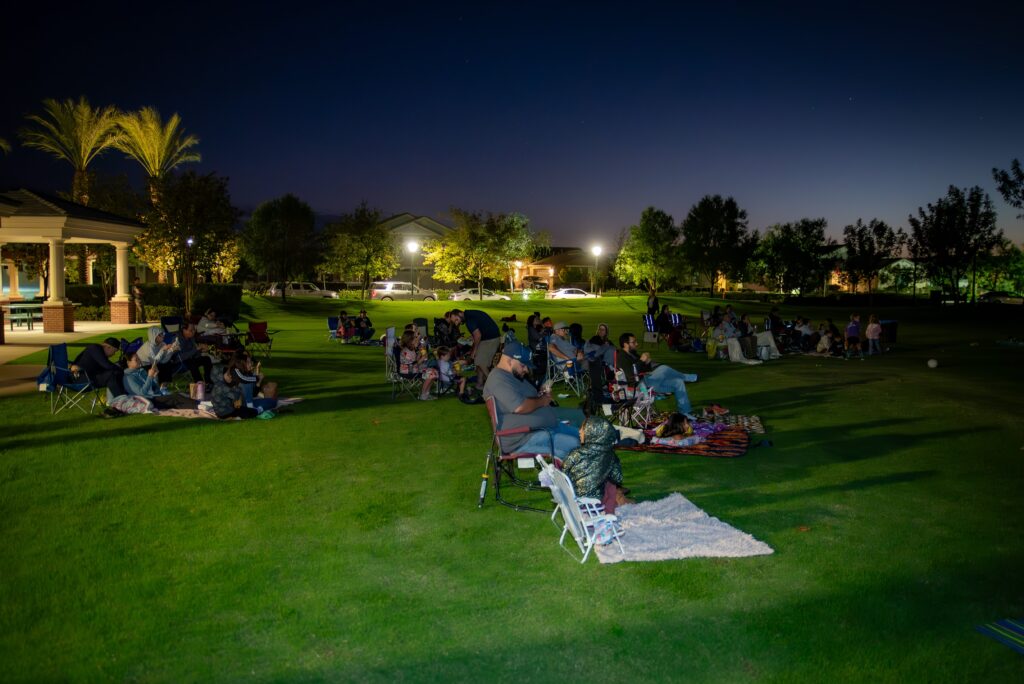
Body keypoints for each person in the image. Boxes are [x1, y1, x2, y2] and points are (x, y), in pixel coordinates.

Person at [483, 341, 581, 459]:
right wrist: (542, 401)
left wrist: (541, 394)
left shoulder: (513, 376)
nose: (526, 370)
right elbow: (519, 407)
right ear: (509, 360)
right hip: (524, 438)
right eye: (523, 365)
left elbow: (528, 398)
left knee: (585, 437)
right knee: (575, 446)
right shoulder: (498, 379)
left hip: (543, 428)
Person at [562, 415, 633, 513]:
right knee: (610, 483)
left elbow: (564, 472)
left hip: (573, 500)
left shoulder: (575, 453)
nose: (579, 431)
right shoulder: (610, 456)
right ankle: (615, 505)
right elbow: (618, 478)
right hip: (595, 503)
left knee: (604, 478)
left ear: (592, 432)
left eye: (583, 429)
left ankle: (619, 499)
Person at [616, 332, 698, 415]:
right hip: (640, 385)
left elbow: (645, 369)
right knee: (664, 368)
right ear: (625, 344)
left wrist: (647, 362)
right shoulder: (622, 357)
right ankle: (686, 377)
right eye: (633, 342)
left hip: (649, 381)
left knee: (678, 382)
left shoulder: (632, 354)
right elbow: (631, 375)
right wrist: (641, 361)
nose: (636, 344)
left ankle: (685, 411)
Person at [122, 352, 197, 409]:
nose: (139, 361)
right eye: (136, 360)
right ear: (128, 363)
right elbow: (142, 393)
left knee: (178, 396)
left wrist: (155, 376)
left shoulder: (141, 371)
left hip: (155, 395)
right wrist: (149, 377)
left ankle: (198, 405)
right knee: (175, 398)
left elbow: (154, 387)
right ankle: (198, 406)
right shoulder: (128, 378)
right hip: (148, 400)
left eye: (138, 358)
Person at [451, 309, 500, 390]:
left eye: (456, 320)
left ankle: (495, 385)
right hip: (487, 338)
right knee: (478, 361)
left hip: (491, 339)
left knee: (481, 363)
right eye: (454, 322)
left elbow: (477, 336)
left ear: (460, 313)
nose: (457, 323)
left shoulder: (469, 320)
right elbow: (477, 333)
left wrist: (474, 350)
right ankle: (479, 384)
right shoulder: (469, 314)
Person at [399, 329, 438, 400]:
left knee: (434, 372)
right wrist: (422, 358)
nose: (417, 339)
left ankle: (426, 394)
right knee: (432, 373)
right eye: (415, 338)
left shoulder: (411, 349)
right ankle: (423, 395)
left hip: (413, 369)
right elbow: (412, 366)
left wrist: (420, 353)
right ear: (410, 340)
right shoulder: (406, 351)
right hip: (408, 372)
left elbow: (414, 361)